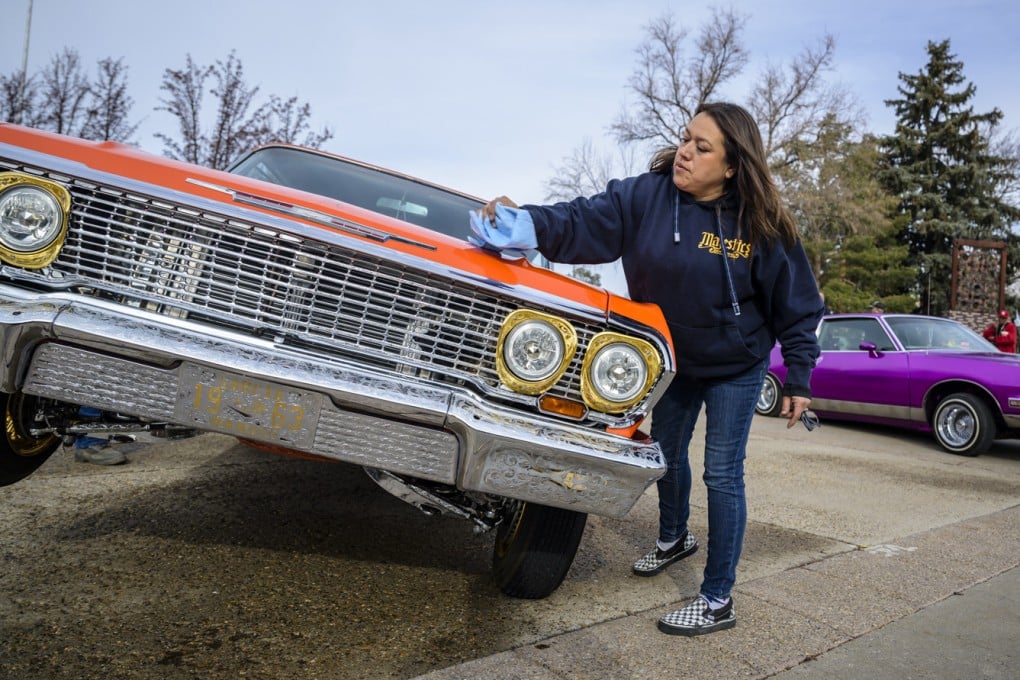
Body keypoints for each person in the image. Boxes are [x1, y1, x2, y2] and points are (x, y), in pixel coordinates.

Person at [470, 102, 822, 636]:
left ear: (732, 166)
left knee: (722, 474)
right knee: (667, 455)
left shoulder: (763, 225)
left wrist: (799, 376)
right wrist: (530, 222)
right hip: (676, 361)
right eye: (686, 139)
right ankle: (674, 538)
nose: (685, 152)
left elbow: (797, 304)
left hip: (736, 365)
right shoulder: (646, 197)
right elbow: (583, 218)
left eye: (703, 147)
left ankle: (716, 599)